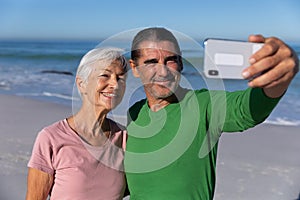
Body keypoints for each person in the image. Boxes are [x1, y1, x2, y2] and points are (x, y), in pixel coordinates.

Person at [124, 27, 299, 199]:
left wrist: (278, 78)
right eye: (151, 62)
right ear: (135, 68)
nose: (163, 71)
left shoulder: (204, 105)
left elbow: (245, 110)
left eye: (171, 60)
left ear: (181, 63)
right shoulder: (135, 112)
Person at [26, 47, 129, 200]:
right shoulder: (51, 138)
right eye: (105, 75)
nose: (115, 84)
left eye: (120, 78)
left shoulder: (125, 138)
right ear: (82, 84)